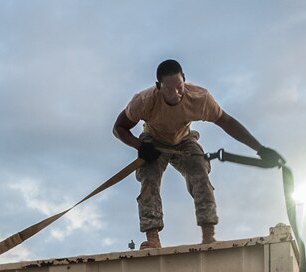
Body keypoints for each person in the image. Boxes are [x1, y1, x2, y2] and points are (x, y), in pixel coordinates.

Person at [113, 59, 284, 249]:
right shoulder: (144, 101)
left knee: (200, 171)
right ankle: (153, 238)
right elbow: (118, 127)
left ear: (184, 79)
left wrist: (260, 149)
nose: (176, 93)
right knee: (149, 176)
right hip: (153, 142)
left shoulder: (199, 98)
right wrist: (139, 146)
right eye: (169, 89)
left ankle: (208, 235)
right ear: (158, 87)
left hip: (184, 140)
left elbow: (227, 122)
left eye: (179, 86)